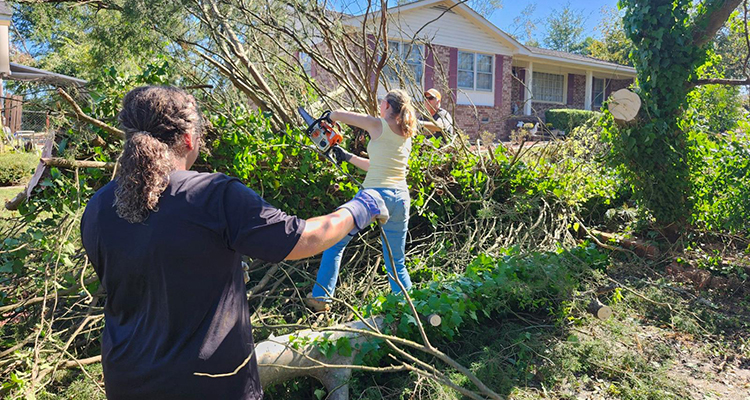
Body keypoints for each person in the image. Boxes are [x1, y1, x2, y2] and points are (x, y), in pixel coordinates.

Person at [80, 86, 389, 400]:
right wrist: (359, 208)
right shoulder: (212, 195)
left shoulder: (98, 208)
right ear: (189, 138)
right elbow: (304, 239)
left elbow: (146, 275)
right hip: (210, 386)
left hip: (126, 382)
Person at [305, 89, 416, 312]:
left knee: (335, 243)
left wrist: (329, 116)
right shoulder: (406, 135)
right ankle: (410, 309)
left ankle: (321, 298)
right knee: (396, 262)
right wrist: (346, 156)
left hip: (374, 196)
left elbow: (343, 115)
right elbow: (376, 164)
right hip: (400, 199)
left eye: (382, 103)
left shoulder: (378, 125)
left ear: (386, 105)